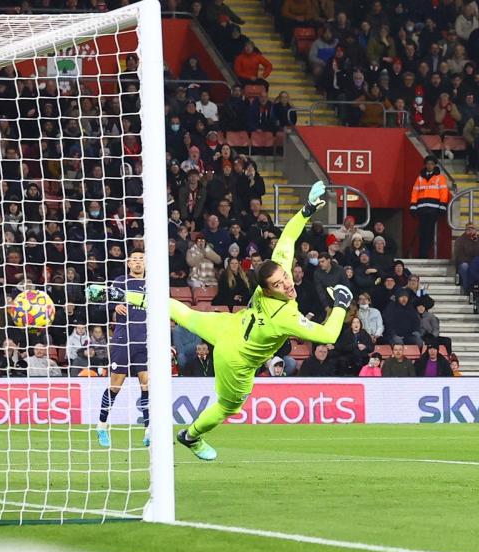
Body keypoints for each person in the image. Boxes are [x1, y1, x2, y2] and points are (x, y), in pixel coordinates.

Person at [89, 182, 350, 461]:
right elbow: (328, 335)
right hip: (236, 358)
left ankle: (120, 293)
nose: (287, 284)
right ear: (266, 288)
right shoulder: (286, 317)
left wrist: (307, 210)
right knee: (227, 407)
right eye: (278, 284)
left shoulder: (276, 273)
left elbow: (287, 239)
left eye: (284, 277)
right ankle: (191, 435)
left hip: (229, 324)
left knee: (182, 312)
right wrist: (341, 305)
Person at [96, 249, 150, 449]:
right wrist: (114, 306)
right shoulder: (120, 282)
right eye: (134, 260)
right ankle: (102, 425)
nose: (137, 263)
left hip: (145, 340)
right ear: (128, 264)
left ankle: (149, 430)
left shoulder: (153, 284)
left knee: (147, 383)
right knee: (116, 385)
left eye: (141, 260)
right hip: (123, 338)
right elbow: (102, 301)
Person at [409, 155, 449, 259]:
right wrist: (413, 206)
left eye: (431, 164)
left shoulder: (440, 178)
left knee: (429, 232)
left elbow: (444, 192)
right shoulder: (420, 178)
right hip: (422, 209)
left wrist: (442, 206)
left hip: (433, 209)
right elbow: (415, 192)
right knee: (422, 232)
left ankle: (425, 253)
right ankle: (422, 253)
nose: (429, 166)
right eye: (428, 163)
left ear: (435, 165)